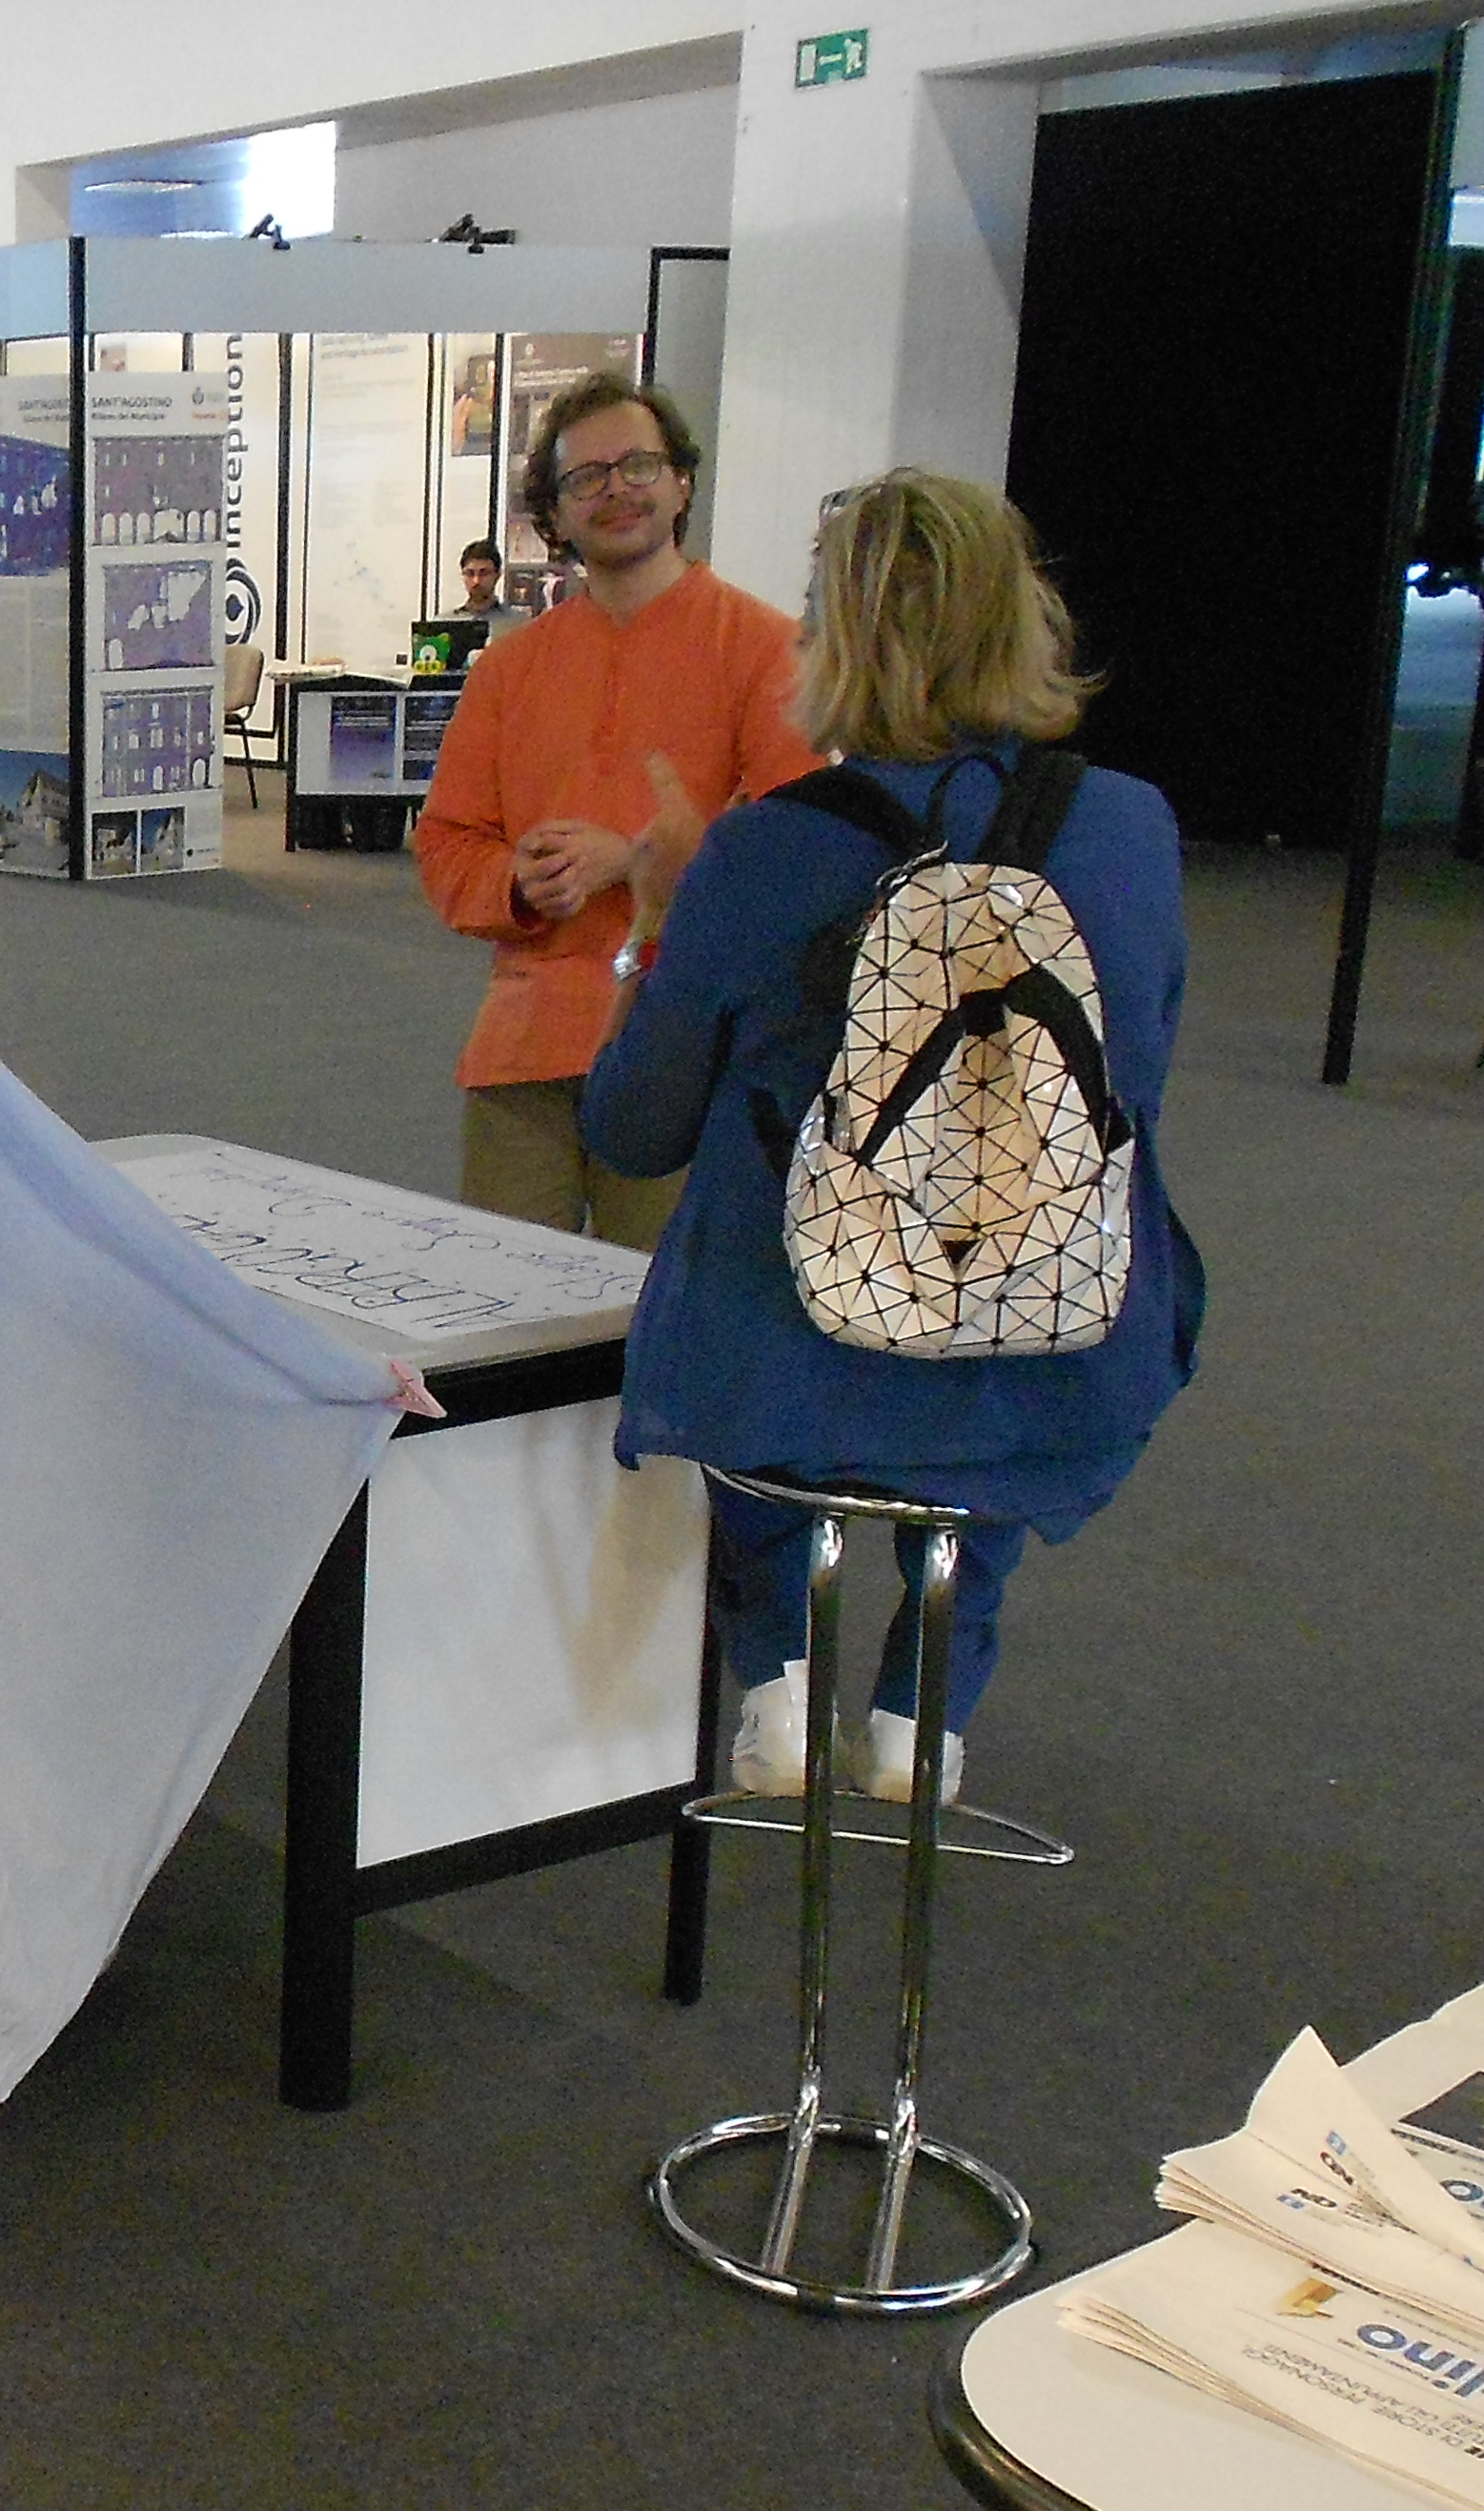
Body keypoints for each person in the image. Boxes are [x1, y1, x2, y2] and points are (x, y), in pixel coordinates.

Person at [581, 467, 1201, 1807]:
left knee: (751, 1267)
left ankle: (775, 1672)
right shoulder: (1131, 829)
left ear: (834, 637)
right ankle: (930, 1701)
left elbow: (632, 1132)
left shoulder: (760, 851)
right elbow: (1135, 1085)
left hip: (789, 1365)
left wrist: (654, 925)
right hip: (1052, 1351)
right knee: (1006, 1286)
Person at [417, 370, 823, 1247]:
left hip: (693, 1047)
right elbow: (446, 845)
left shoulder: (766, 650)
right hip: (525, 1050)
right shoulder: (508, 672)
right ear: (554, 515)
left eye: (637, 466)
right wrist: (517, 884)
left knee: (661, 1305)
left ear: (681, 483)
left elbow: (801, 861)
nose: (615, 491)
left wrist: (640, 861)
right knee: (504, 1307)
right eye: (585, 478)